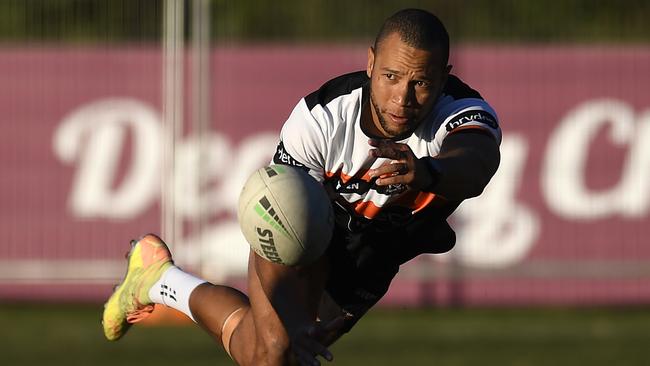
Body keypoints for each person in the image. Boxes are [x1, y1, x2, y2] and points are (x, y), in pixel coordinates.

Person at [102, 8, 501, 366]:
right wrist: (287, 322)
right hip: (309, 233)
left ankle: (158, 279)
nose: (402, 98)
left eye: (421, 83)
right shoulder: (320, 119)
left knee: (259, 353)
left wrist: (429, 172)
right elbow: (280, 220)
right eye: (391, 77)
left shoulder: (462, 111)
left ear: (444, 77)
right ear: (370, 62)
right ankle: (162, 281)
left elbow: (477, 160)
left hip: (375, 255)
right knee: (278, 351)